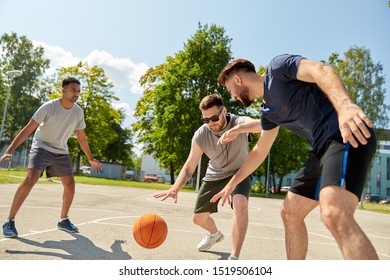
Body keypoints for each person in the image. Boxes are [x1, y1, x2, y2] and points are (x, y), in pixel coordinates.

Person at [212, 54, 378, 260]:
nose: (233, 96)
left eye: (230, 90)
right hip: (321, 149)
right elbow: (259, 152)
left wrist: (345, 106)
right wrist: (232, 183)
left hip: (345, 134)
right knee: (290, 212)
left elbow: (322, 71)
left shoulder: (278, 68)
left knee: (334, 213)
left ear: (238, 79)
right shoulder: (268, 112)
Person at [154, 94, 261, 260]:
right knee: (198, 219)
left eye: (214, 118)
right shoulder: (201, 135)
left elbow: (263, 125)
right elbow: (190, 166)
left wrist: (237, 130)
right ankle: (214, 234)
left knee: (240, 203)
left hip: (239, 173)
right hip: (215, 175)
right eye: (206, 120)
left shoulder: (238, 122)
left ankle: (234, 257)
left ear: (224, 111)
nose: (211, 123)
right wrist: (175, 187)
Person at [1, 77, 102, 238]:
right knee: (30, 179)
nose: (76, 94)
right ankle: (9, 221)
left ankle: (63, 220)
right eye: (73, 90)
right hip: (41, 145)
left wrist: (90, 158)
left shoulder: (78, 112)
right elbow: (27, 130)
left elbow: (81, 137)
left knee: (70, 185)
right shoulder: (49, 107)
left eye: (78, 91)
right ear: (63, 90)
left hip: (61, 150)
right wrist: (9, 150)